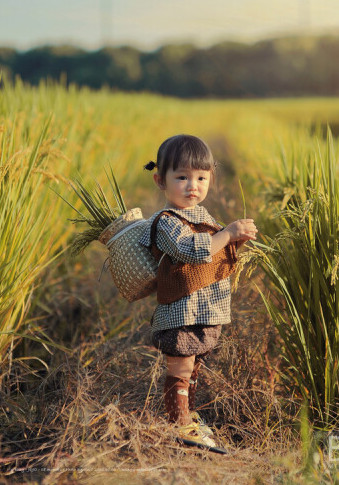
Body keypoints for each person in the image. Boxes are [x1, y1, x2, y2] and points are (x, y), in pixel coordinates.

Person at [139, 134, 257, 452]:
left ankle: (186, 418)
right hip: (181, 311)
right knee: (180, 366)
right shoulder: (166, 222)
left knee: (194, 365)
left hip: (205, 310)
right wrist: (228, 233)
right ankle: (177, 425)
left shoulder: (203, 217)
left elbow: (216, 252)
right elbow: (192, 250)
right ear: (160, 180)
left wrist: (235, 239)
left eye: (201, 178)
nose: (193, 185)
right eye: (182, 177)